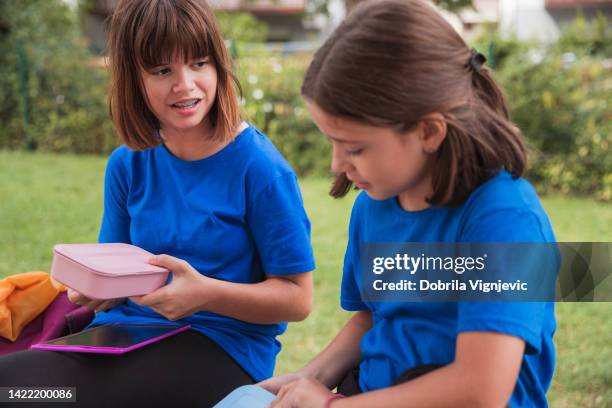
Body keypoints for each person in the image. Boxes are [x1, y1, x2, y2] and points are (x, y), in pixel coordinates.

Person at [0, 0, 314, 406]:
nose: (185, 84)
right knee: (17, 387)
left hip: (221, 347)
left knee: (39, 394)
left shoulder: (260, 169)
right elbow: (113, 275)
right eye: (162, 70)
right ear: (134, 79)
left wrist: (206, 293)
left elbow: (298, 299)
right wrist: (92, 289)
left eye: (199, 63)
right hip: (124, 333)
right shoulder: (127, 163)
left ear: (219, 65)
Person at [260, 0, 556, 407]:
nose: (337, 165)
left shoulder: (504, 219)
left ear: (429, 132)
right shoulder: (374, 202)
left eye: (355, 147)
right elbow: (372, 317)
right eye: (332, 142)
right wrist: (305, 379)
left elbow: (480, 389)